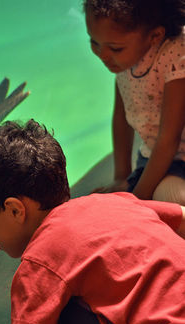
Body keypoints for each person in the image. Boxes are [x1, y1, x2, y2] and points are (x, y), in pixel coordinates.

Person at [0, 119, 185, 324]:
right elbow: (181, 215)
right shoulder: (114, 202)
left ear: (15, 210)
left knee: (63, 316)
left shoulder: (40, 260)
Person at [83, 0, 185, 204]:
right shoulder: (125, 61)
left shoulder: (176, 57)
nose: (103, 55)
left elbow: (169, 139)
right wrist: (122, 177)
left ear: (155, 36)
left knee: (172, 200)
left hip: (179, 155)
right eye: (94, 42)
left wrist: (136, 200)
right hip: (155, 158)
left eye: (115, 48)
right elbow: (121, 117)